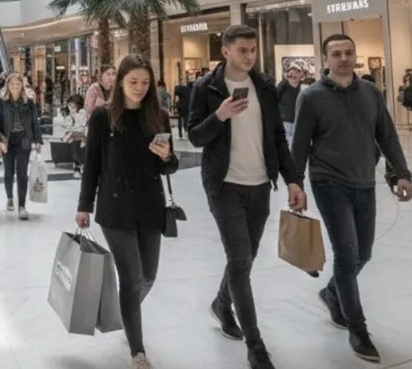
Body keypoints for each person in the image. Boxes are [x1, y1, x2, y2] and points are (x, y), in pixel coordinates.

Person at [187, 25, 305, 369]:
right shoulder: (206, 88)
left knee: (247, 257)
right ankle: (255, 345)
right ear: (225, 51)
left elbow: (278, 138)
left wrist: (293, 180)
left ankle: (222, 304)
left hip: (259, 185)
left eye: (252, 50)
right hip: (224, 185)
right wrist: (219, 115)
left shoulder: (265, 86)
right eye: (242, 50)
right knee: (239, 260)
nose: (249, 56)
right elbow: (195, 136)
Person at [292, 34, 412, 363]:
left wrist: (403, 172)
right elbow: (300, 144)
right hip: (328, 182)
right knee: (347, 254)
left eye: (348, 52)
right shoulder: (312, 97)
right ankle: (356, 327)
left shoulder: (371, 92)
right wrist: (295, 183)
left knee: (364, 253)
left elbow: (386, 135)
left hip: (364, 182)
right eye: (336, 53)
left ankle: (332, 293)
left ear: (355, 56)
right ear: (325, 59)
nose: (344, 58)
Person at [77, 54, 178, 369]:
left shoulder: (158, 116)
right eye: (133, 82)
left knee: (148, 275)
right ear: (119, 81)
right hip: (115, 208)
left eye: (145, 83)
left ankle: (126, 310)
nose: (139, 88)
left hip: (150, 206)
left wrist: (167, 157)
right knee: (131, 277)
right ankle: (138, 351)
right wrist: (84, 205)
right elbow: (92, 164)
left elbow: (171, 165)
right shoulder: (103, 118)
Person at [0, 72, 43, 219]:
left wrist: (38, 140)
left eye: (18, 84)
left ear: (22, 86)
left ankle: (22, 206)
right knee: (9, 172)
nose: (15, 87)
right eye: (12, 84)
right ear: (8, 85)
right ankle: (9, 197)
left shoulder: (29, 102)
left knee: (22, 173)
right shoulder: (1, 101)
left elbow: (35, 121)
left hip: (23, 140)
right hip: (7, 140)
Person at [276, 65, 303, 147]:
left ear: (300, 75)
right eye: (290, 74)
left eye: (295, 74)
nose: (292, 76)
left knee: (297, 145)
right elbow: (274, 99)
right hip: (285, 122)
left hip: (299, 122)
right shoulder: (283, 86)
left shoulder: (304, 88)